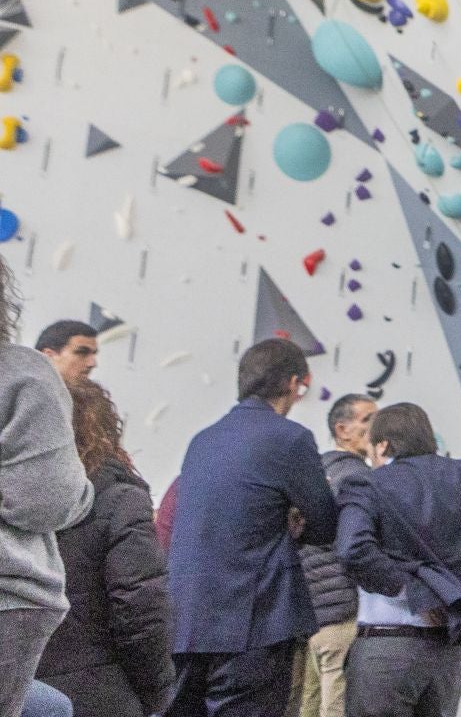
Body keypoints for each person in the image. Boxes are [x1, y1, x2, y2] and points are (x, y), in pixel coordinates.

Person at [167, 337, 339, 717]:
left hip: (187, 620)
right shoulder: (290, 438)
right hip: (253, 620)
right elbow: (326, 525)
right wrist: (295, 525)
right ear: (295, 384)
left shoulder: (202, 440)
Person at [334, 402, 461, 717]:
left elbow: (351, 548)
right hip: (451, 648)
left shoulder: (367, 482)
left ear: (383, 445)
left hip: (388, 642)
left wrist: (415, 593)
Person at [35, 379, 173, 717]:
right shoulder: (119, 499)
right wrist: (157, 691)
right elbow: (139, 608)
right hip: (101, 691)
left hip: (23, 688)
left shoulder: (17, 502)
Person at [1, 256, 96, 717]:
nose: (92, 363)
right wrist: (83, 494)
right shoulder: (22, 373)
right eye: (83, 352)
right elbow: (47, 497)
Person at [292, 394, 375, 717]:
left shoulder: (317, 474)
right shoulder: (356, 477)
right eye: (367, 419)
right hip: (343, 606)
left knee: (310, 702)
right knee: (337, 702)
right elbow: (357, 544)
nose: (376, 427)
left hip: (313, 610)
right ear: (343, 430)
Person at [33, 321, 98, 387]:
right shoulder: (26, 395)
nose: (92, 364)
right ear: (48, 357)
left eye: (94, 354)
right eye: (82, 352)